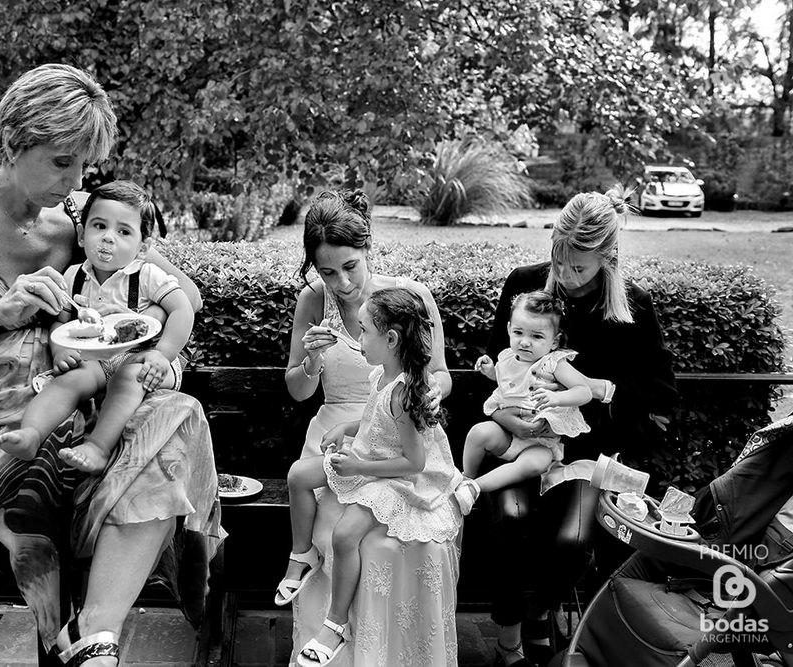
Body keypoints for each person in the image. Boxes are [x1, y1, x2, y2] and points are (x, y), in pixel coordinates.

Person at [0, 64, 220, 667]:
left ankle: (94, 636)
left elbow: (183, 297)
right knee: (161, 438)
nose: (75, 179)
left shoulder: (78, 216)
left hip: (86, 398)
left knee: (179, 413)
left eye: (85, 165)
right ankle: (76, 637)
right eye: (61, 162)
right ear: (14, 142)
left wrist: (138, 249)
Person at [484, 186, 677, 667]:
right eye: (560, 261)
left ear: (607, 257)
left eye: (579, 267)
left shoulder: (631, 306)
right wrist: (510, 422)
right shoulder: (524, 286)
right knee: (509, 522)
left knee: (573, 543)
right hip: (517, 442)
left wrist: (600, 389)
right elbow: (492, 369)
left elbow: (660, 393)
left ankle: (537, 614)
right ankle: (508, 647)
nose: (565, 277)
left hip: (585, 456)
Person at [284, 189, 459, 666]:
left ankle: (394, 652)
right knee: (334, 533)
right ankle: (332, 642)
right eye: (326, 271)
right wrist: (313, 360)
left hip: (398, 432)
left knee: (386, 540)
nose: (341, 282)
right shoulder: (312, 302)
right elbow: (298, 390)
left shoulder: (410, 298)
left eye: (350, 266)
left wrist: (427, 396)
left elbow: (439, 374)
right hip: (337, 430)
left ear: (368, 251)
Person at [0, 180, 194, 474]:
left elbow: (183, 309)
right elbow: (62, 323)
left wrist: (163, 353)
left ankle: (98, 447)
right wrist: (61, 351)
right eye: (99, 226)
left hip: (147, 360)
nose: (108, 238)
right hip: (99, 362)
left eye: (123, 232)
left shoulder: (147, 275)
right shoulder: (74, 276)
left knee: (128, 378)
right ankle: (31, 434)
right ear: (82, 236)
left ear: (143, 247)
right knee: (68, 381)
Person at [456, 290, 594, 514]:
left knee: (535, 464)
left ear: (554, 341)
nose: (525, 342)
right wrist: (490, 371)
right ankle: (465, 476)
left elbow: (584, 391)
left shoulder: (553, 363)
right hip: (508, 434)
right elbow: (506, 380)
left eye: (537, 337)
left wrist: (558, 397)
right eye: (519, 332)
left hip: (540, 442)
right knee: (479, 432)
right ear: (509, 329)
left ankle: (475, 488)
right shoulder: (508, 357)